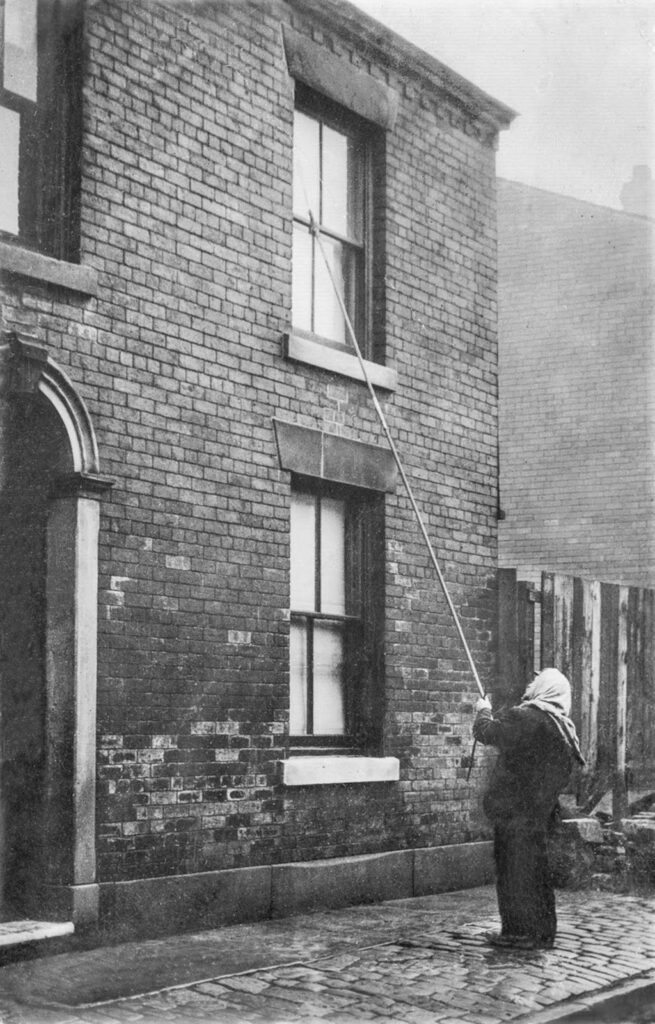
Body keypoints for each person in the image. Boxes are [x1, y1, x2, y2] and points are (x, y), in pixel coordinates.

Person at [473, 667, 585, 950]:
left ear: (545, 688)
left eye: (536, 680)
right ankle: (543, 933)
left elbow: (486, 733)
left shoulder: (526, 716)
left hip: (514, 815)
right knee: (536, 873)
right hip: (539, 816)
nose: (530, 683)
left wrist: (483, 711)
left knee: (513, 872)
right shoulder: (561, 727)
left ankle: (518, 934)